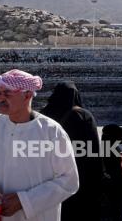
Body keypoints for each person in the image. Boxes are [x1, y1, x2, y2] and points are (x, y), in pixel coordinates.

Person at [0, 69, 79, 221]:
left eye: (7, 94)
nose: (0, 99)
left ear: (27, 95)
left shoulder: (51, 131)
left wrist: (24, 201)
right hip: (0, 215)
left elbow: (69, 180)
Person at [41, 81, 102, 221]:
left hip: (50, 176)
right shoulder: (83, 115)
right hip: (80, 176)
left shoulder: (43, 116)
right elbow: (93, 151)